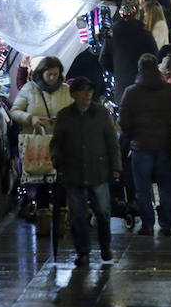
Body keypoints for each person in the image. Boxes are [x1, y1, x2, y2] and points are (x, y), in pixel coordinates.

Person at [51, 77, 122, 267]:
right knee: (78, 215)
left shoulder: (101, 113)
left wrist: (115, 167)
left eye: (89, 91)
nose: (86, 96)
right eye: (82, 92)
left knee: (103, 212)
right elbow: (56, 143)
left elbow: (111, 141)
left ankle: (105, 246)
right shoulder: (65, 116)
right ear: (73, 94)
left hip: (98, 170)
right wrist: (58, 162)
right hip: (73, 171)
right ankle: (82, 251)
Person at [118, 54, 171, 236]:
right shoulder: (169, 91)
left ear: (139, 69)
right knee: (166, 187)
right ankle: (167, 223)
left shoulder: (131, 92)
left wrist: (131, 138)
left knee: (142, 188)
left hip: (141, 147)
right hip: (165, 146)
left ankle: (147, 224)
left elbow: (124, 122)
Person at [11, 56, 74, 234]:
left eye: (56, 74)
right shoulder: (30, 89)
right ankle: (43, 221)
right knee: (41, 181)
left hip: (60, 144)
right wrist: (31, 119)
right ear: (41, 73)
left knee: (60, 182)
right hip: (37, 143)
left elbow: (74, 113)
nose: (53, 78)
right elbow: (15, 111)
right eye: (49, 74)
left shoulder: (66, 91)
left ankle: (60, 221)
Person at [100, 0, 159, 103]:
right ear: (137, 14)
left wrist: (119, 69)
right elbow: (155, 59)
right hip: (144, 89)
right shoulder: (145, 34)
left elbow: (103, 59)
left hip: (122, 89)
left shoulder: (112, 34)